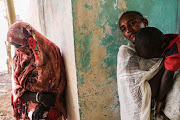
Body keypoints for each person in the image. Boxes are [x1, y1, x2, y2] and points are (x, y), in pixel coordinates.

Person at [7, 21, 67, 120]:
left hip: (51, 101)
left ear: (26, 39)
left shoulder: (49, 52)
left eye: (18, 45)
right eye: (14, 46)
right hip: (30, 99)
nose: (17, 50)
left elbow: (56, 84)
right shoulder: (18, 59)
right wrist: (37, 97)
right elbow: (16, 86)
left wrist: (43, 104)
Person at [117, 11, 168, 120]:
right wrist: (166, 65)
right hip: (138, 114)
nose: (128, 30)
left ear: (145, 22)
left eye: (132, 23)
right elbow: (140, 94)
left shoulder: (160, 44)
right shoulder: (126, 54)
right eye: (124, 29)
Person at [135, 27, 180, 114]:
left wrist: (160, 99)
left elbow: (167, 77)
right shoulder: (166, 39)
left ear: (162, 47)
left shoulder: (174, 52)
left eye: (153, 56)